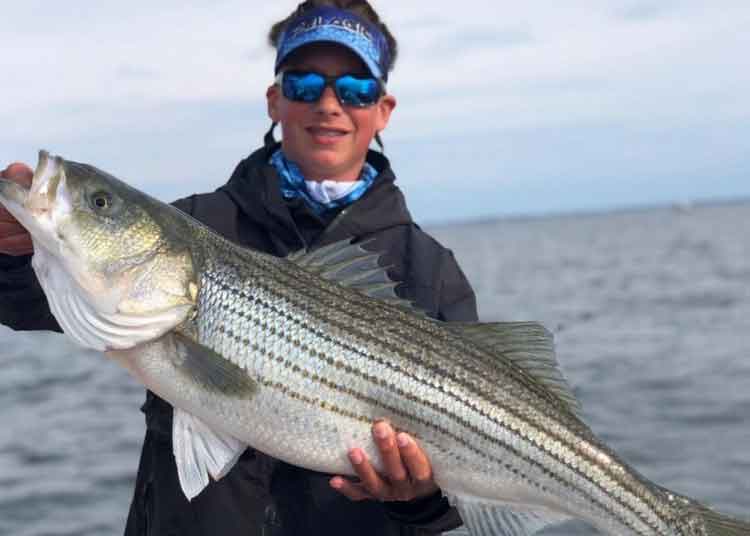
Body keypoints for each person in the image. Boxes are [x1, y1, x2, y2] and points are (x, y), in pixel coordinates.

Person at [0, 1, 478, 534]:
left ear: (382, 109)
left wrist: (421, 498)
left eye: (355, 89)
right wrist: (14, 252)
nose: (328, 104)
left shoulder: (431, 271)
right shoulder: (195, 223)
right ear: (275, 100)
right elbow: (29, 300)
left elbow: (468, 493)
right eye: (304, 84)